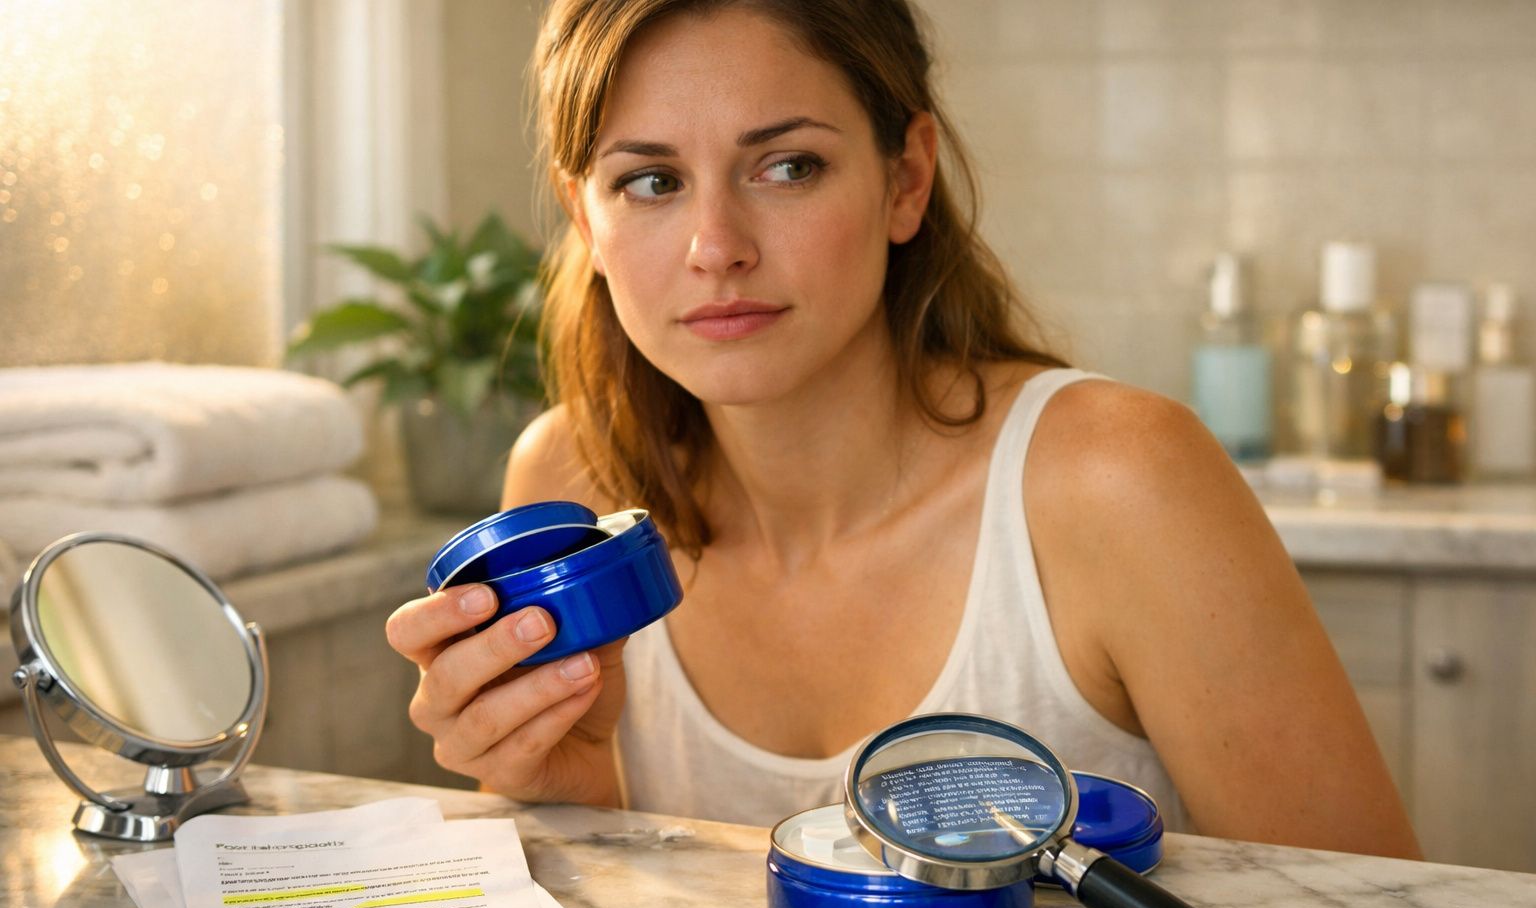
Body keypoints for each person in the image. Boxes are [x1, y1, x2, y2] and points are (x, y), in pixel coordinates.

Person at [388, 0, 1420, 858]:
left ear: (906, 178)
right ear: (587, 222)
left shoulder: (1117, 481)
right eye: (650, 182)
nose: (716, 247)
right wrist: (571, 796)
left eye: (786, 165)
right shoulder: (570, 487)